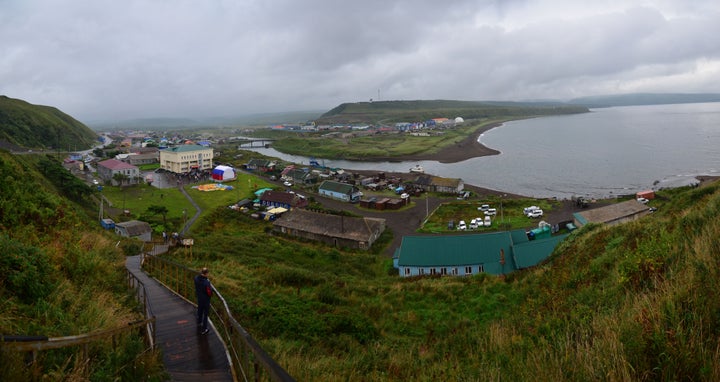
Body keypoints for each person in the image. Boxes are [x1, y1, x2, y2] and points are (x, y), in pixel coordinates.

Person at [194, 267, 213, 335]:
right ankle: (204, 328)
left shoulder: (196, 278)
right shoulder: (206, 282)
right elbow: (209, 292)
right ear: (206, 273)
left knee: (200, 309)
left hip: (199, 297)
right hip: (205, 299)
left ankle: (199, 321)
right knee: (206, 314)